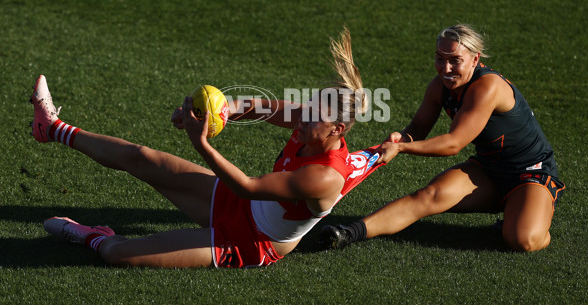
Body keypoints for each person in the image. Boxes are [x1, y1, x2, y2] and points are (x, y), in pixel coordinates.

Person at [33, 27, 386, 268]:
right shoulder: (311, 125)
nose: (302, 117)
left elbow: (247, 187)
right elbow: (251, 106)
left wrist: (199, 140)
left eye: (313, 116)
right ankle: (52, 128)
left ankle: (95, 237)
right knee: (139, 156)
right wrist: (213, 112)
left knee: (119, 254)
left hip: (251, 240)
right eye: (307, 107)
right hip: (235, 203)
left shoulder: (324, 177)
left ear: (337, 129)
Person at [320, 24, 565, 252]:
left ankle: (532, 212)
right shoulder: (440, 86)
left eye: (455, 61)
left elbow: (454, 143)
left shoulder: (487, 87)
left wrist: (404, 148)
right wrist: (402, 137)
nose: (445, 69)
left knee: (524, 240)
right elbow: (418, 126)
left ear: (475, 59)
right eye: (440, 59)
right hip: (489, 171)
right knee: (429, 196)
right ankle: (348, 233)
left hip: (530, 173)